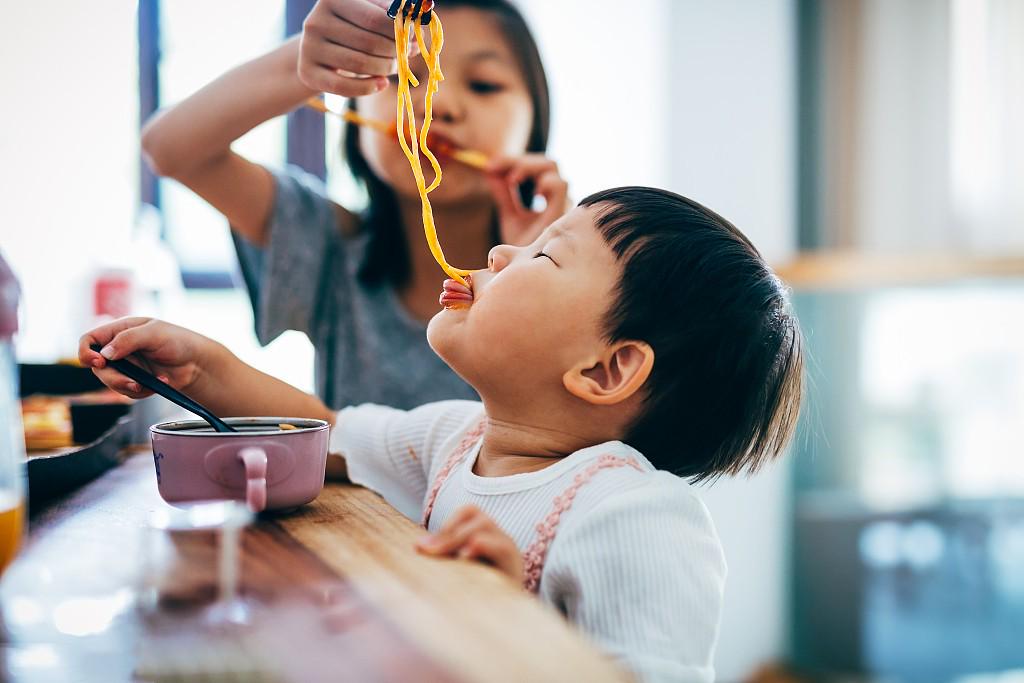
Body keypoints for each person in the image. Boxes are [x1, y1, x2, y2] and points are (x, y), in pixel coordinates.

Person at [81, 187, 804, 682]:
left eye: (544, 255)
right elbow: (327, 434)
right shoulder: (455, 438)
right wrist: (207, 366)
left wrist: (513, 625)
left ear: (606, 369)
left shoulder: (635, 517)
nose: (498, 255)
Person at [140, 0, 567, 410]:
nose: (436, 105)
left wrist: (537, 274)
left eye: (484, 85)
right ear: (355, 102)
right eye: (403, 77)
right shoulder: (329, 243)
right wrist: (312, 60)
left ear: (536, 119)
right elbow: (168, 148)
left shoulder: (584, 270)